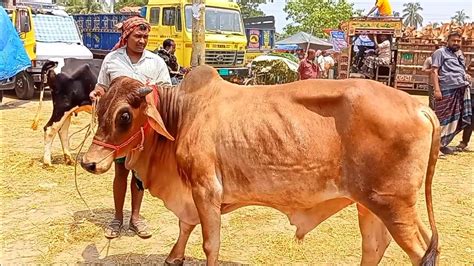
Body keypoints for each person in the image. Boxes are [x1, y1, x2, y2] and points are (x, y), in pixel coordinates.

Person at [89, 16, 171, 239]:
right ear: (126, 36)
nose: (142, 40)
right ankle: (117, 218)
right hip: (118, 129)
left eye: (145, 37)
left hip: (143, 130)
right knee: (120, 172)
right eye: (137, 36)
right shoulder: (112, 59)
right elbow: (102, 86)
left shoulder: (156, 62)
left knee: (138, 175)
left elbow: (166, 92)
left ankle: (135, 217)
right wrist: (97, 93)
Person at [431, 31, 472, 155]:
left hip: (460, 89)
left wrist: (466, 75)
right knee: (442, 119)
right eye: (453, 40)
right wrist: (437, 89)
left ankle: (443, 144)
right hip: (446, 89)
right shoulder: (440, 53)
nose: (456, 43)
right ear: (447, 41)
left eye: (458, 41)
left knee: (456, 118)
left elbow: (460, 69)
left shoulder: (459, 54)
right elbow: (434, 71)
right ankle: (434, 146)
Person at [422, 46, 440, 110]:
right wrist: (432, 70)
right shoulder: (429, 59)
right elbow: (424, 70)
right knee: (432, 99)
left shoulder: (445, 59)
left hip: (442, 83)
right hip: (432, 83)